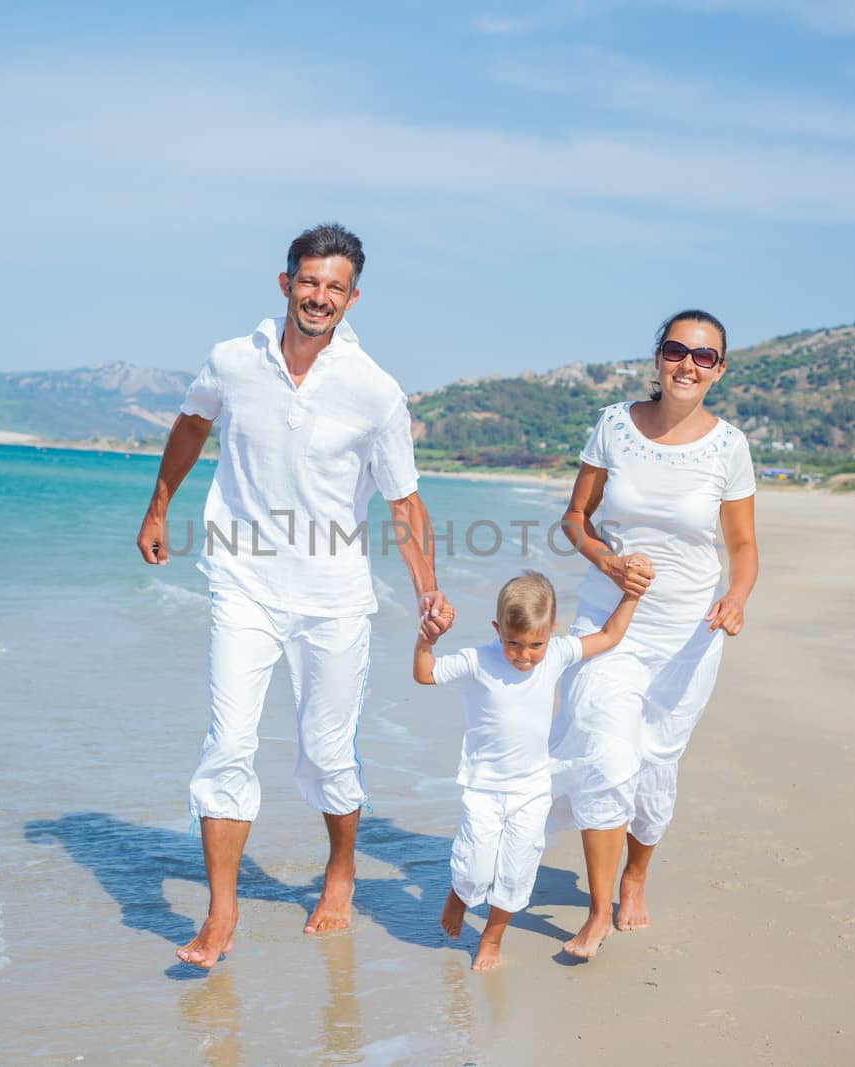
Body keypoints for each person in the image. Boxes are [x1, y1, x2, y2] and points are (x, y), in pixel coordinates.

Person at [135, 223, 454, 970]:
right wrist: (158, 505)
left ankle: (339, 869)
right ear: (285, 283)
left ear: (352, 297)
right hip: (242, 582)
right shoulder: (231, 361)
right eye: (308, 281)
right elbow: (190, 424)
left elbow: (405, 502)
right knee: (227, 747)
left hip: (333, 596)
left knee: (325, 752)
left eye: (334, 286)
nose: (319, 296)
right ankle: (221, 911)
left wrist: (428, 589)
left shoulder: (376, 391)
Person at [551, 308, 759, 959]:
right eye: (677, 350)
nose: (688, 364)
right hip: (610, 621)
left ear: (719, 370)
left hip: (688, 632)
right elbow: (575, 519)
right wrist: (607, 560)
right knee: (608, 750)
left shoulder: (730, 447)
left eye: (704, 356)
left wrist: (738, 595)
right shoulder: (614, 425)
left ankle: (635, 877)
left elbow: (744, 545)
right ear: (659, 356)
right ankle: (596, 907)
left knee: (655, 761)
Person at [413, 569, 646, 970]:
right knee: (475, 863)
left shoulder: (555, 654)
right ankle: (461, 892)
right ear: (497, 629)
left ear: (551, 632)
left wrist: (630, 596)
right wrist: (426, 640)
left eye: (535, 644)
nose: (524, 654)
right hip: (483, 788)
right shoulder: (477, 661)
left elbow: (608, 636)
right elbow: (425, 673)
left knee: (517, 868)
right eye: (513, 644)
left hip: (533, 788)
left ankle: (491, 936)